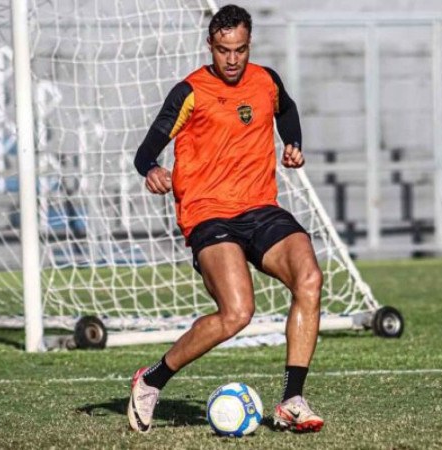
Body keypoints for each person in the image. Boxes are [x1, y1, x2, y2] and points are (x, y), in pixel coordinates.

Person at [128, 4, 324, 433]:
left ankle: (292, 399)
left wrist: (292, 142)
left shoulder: (266, 81)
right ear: (210, 46)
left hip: (260, 208)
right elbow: (147, 149)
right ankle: (151, 380)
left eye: (240, 49)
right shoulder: (190, 92)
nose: (232, 60)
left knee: (309, 278)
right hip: (208, 213)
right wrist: (152, 170)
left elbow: (286, 112)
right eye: (223, 50)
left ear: (249, 43)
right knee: (237, 313)